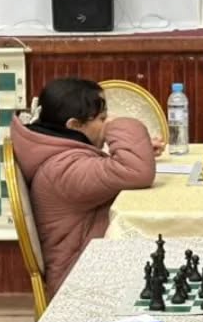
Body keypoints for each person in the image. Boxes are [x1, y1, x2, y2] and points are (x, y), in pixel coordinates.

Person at [8, 77, 159, 294]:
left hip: (88, 258)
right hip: (79, 277)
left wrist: (135, 149)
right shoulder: (62, 171)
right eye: (102, 118)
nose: (106, 123)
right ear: (74, 125)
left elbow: (116, 167)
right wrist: (116, 126)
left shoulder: (57, 153)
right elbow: (137, 171)